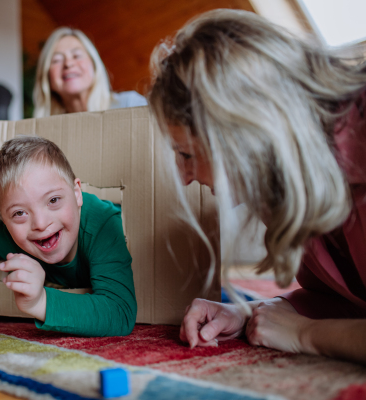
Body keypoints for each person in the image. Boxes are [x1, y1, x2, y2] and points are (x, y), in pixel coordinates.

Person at [148, 9, 366, 364]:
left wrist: (304, 334)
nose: (184, 176)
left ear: (243, 136)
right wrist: (248, 311)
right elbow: (350, 298)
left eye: (186, 153)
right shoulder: (289, 181)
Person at [0, 136, 137, 340]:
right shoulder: (7, 234)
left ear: (77, 193)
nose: (41, 224)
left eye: (53, 200)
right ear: (3, 220)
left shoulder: (103, 225)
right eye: (19, 213)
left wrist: (40, 302)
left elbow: (120, 312)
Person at [33, 27, 147, 117]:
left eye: (76, 55)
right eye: (57, 60)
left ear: (94, 65)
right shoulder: (45, 132)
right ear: (47, 77)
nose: (68, 63)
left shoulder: (131, 105)